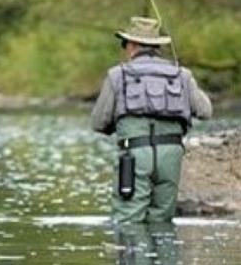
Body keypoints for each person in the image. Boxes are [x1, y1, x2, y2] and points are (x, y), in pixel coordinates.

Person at [90, 16, 212, 223]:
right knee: (162, 221)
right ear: (156, 47)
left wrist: (119, 124)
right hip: (171, 157)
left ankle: (134, 254)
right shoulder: (182, 74)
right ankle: (162, 255)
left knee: (128, 220)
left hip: (134, 155)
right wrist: (183, 82)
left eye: (124, 44)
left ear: (132, 45)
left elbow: (98, 122)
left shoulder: (117, 75)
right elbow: (205, 111)